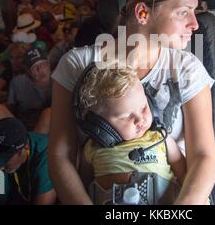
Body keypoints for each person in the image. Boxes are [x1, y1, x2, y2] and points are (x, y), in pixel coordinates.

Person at [49, 0, 215, 205]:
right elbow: (60, 156)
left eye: (195, 12)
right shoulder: (76, 66)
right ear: (142, 12)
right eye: (183, 12)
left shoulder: (187, 70)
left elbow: (203, 157)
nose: (194, 24)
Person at [78, 63, 186, 204]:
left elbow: (185, 173)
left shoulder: (159, 138)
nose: (140, 119)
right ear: (101, 125)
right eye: (126, 116)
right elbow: (81, 186)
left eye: (143, 107)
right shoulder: (92, 148)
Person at [8, 47, 52, 133]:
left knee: (48, 113)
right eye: (34, 67)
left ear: (49, 64)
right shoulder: (18, 82)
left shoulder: (59, 81)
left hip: (52, 127)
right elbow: (11, 108)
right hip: (24, 127)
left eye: (43, 64)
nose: (40, 69)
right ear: (28, 71)